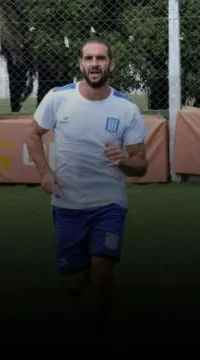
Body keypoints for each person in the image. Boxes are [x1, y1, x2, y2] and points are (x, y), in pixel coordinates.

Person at [25, 38, 148, 334]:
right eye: (89, 58)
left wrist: (124, 161)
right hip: (67, 204)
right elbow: (33, 134)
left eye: (101, 58)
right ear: (81, 64)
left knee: (102, 272)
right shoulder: (58, 98)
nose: (95, 64)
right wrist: (45, 173)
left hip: (109, 204)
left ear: (111, 65)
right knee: (73, 285)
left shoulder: (126, 109)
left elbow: (141, 164)